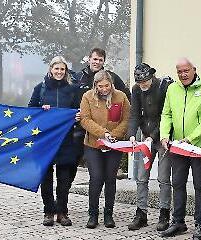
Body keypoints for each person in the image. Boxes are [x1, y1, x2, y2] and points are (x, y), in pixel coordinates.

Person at [159, 58, 201, 240]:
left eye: (186, 71)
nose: (183, 74)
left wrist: (191, 138)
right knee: (177, 184)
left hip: (199, 147)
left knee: (200, 186)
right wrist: (164, 135)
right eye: (179, 72)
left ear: (194, 70)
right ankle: (178, 222)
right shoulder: (172, 89)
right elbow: (166, 114)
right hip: (178, 147)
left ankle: (200, 225)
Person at [28, 56, 79, 227]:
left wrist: (77, 116)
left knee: (64, 179)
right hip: (45, 140)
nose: (59, 72)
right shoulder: (40, 89)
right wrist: (41, 111)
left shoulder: (73, 89)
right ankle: (49, 211)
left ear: (66, 71)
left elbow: (79, 112)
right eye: (56, 69)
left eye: (62, 69)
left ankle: (62, 212)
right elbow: (31, 112)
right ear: (50, 69)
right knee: (46, 178)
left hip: (65, 140)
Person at [79, 70, 130, 229]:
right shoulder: (88, 97)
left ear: (111, 84)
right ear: (95, 85)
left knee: (110, 178)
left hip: (114, 144)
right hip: (94, 144)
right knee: (96, 177)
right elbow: (85, 119)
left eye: (107, 85)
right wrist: (103, 133)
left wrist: (114, 135)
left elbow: (127, 118)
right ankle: (93, 214)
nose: (104, 89)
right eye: (100, 86)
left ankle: (108, 214)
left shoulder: (121, 97)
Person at [126, 63, 173, 231]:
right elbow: (134, 114)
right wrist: (132, 133)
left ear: (151, 76)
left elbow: (166, 116)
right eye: (140, 82)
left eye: (145, 81)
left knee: (163, 178)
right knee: (141, 177)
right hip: (145, 138)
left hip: (162, 137)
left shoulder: (163, 87)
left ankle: (164, 213)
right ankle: (141, 213)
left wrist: (153, 136)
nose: (143, 85)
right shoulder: (136, 90)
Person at [72, 47, 131, 171]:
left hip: (107, 133)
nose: (97, 62)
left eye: (100, 60)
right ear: (89, 59)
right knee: (78, 166)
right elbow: (69, 100)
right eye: (94, 59)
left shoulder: (113, 78)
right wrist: (72, 114)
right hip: (81, 128)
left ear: (104, 61)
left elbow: (126, 99)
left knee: (107, 173)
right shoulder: (78, 78)